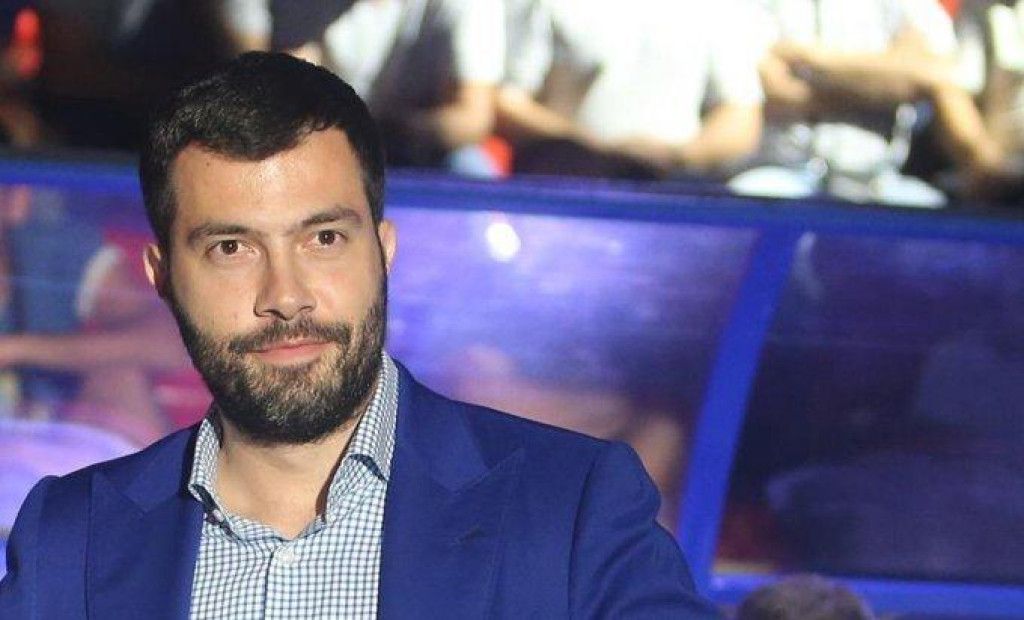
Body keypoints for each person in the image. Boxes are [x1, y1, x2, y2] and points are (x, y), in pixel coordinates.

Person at [0, 52, 717, 618]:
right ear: (162, 276)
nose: (285, 296)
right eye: (231, 248)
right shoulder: (71, 538)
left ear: (384, 249)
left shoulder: (571, 508)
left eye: (323, 238)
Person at [499, 0, 764, 179]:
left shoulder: (720, 8)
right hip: (565, 185)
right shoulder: (543, 5)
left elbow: (741, 116)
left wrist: (678, 155)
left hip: (675, 194)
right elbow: (505, 103)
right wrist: (593, 148)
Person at [729, 0, 958, 207]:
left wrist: (813, 60)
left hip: (881, 182)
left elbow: (932, 73)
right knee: (742, 203)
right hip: (782, 176)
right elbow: (768, 84)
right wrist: (879, 84)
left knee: (937, 214)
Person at [277, 0, 505, 171]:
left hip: (422, 147)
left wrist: (392, 132)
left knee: (469, 167)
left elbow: (473, 119)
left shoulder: (469, 5)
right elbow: (290, 95)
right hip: (332, 141)